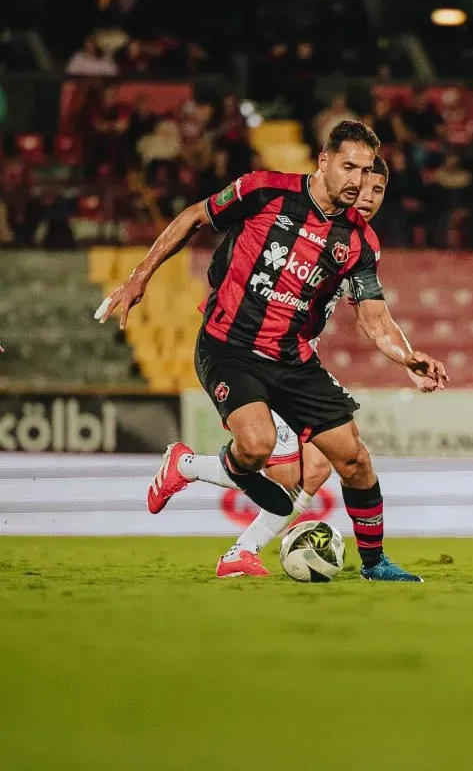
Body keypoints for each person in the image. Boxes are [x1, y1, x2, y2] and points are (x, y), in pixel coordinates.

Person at [97, 121, 447, 582]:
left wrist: (407, 357)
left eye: (366, 173)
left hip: (294, 359)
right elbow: (194, 217)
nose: (358, 183)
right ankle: (209, 486)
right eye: (349, 167)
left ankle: (375, 563)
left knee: (353, 459)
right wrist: (140, 276)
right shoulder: (265, 190)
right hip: (229, 345)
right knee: (260, 448)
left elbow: (375, 317)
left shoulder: (359, 241)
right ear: (323, 161)